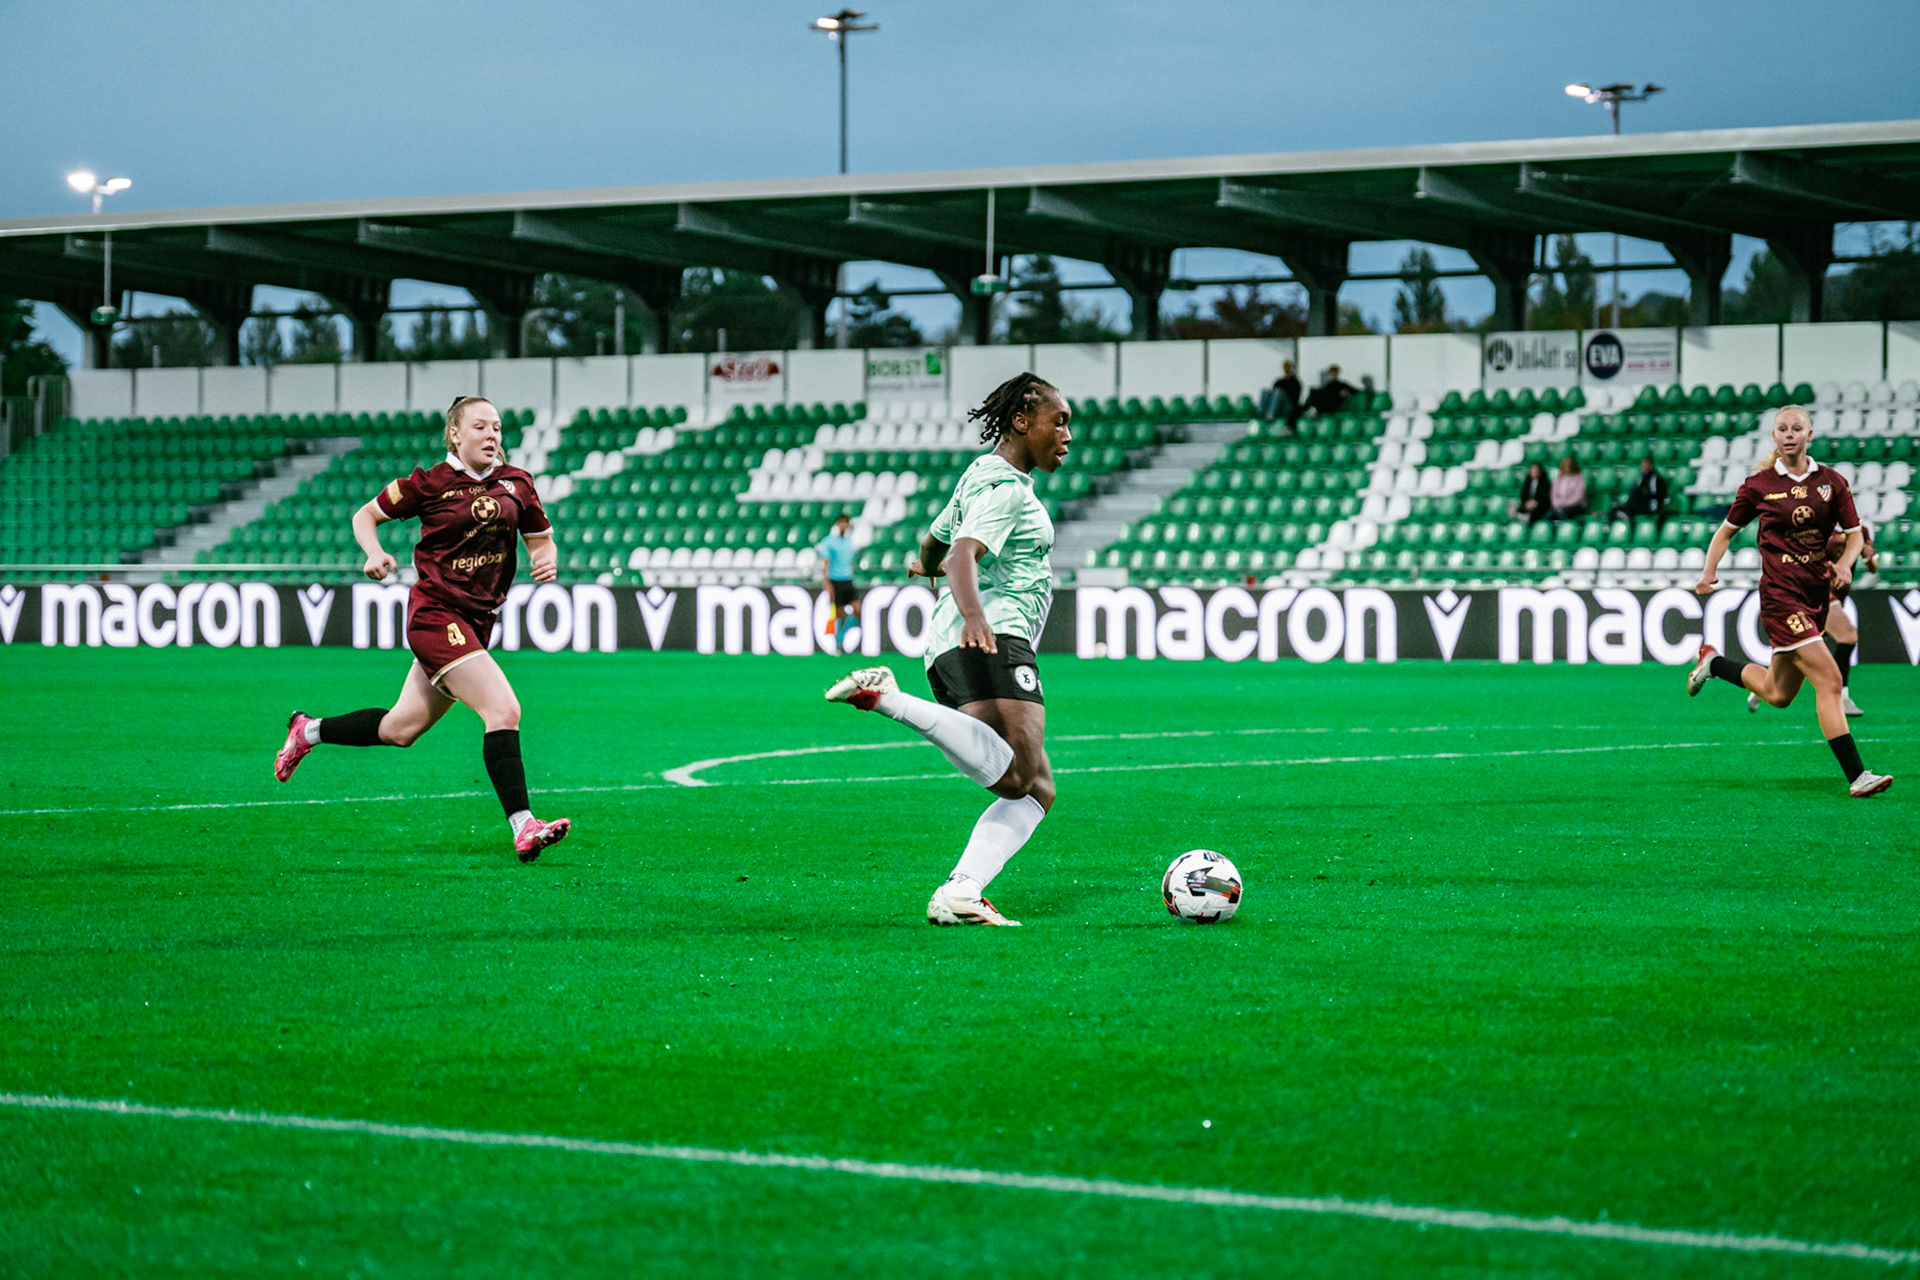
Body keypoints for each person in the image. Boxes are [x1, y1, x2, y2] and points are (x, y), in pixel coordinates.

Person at [273, 395, 574, 858]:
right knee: (503, 710)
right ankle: (524, 825)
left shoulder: (517, 483)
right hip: (435, 615)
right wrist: (374, 553)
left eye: (496, 427)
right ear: (455, 433)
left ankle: (307, 731)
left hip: (478, 622)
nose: (491, 435)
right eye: (480, 426)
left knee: (401, 728)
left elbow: (540, 538)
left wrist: (544, 559)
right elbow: (365, 515)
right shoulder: (429, 483)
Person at [824, 372, 1071, 927]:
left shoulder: (978, 476)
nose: (1067, 435)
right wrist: (977, 615)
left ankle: (962, 890)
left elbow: (934, 544)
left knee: (1037, 789)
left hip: (951, 644)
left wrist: (926, 565)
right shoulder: (1007, 489)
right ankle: (888, 699)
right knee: (1018, 778)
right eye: (1058, 422)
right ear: (1021, 422)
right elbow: (962, 555)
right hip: (992, 636)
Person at [1687, 405, 1891, 797]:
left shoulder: (1832, 483)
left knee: (1778, 693)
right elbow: (1726, 531)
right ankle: (1857, 776)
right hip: (1781, 598)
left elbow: (1854, 535)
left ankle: (1714, 664)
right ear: (1774, 436)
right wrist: (1709, 571)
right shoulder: (1758, 486)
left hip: (1816, 597)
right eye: (1782, 429)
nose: (1789, 434)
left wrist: (1845, 564)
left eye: (1797, 428)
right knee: (1829, 679)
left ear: (1809, 435)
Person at [1751, 520, 1877, 717]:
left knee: (1797, 652)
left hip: (1836, 595)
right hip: (1817, 595)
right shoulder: (1816, 525)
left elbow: (1873, 567)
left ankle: (1763, 685)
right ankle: (1843, 698)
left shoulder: (1859, 529)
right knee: (1848, 635)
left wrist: (1869, 560)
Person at [816, 513, 861, 653]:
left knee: (857, 609)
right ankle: (838, 642)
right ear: (837, 524)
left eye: (846, 523)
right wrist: (827, 583)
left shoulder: (849, 542)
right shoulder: (828, 542)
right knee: (840, 613)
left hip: (847, 579)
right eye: (842, 522)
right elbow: (825, 563)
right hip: (835, 580)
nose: (844, 525)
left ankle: (840, 636)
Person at [1608, 456, 1670, 528]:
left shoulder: (1657, 480)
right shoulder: (1641, 478)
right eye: (1642, 465)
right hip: (1637, 505)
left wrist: (1646, 494)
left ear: (1651, 466)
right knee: (1614, 509)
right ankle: (1614, 526)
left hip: (1649, 507)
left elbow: (1659, 496)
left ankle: (1629, 521)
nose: (1643, 467)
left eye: (1646, 465)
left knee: (1635, 491)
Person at [1258, 360, 1303, 433]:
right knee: (1264, 391)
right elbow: (1273, 396)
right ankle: (1261, 415)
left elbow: (1295, 400)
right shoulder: (1278, 382)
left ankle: (1270, 417)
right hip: (1277, 407)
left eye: (1288, 367)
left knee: (1278, 392)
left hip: (1288, 408)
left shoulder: (1295, 383)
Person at [1548, 455, 1588, 521]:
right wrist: (1556, 504)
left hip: (1577, 505)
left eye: (1569, 465)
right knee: (1549, 513)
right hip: (1560, 505)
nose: (1567, 467)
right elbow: (1553, 494)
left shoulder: (1579, 478)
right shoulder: (1558, 478)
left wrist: (1563, 504)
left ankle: (1566, 526)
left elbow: (1578, 496)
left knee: (1562, 512)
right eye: (1565, 465)